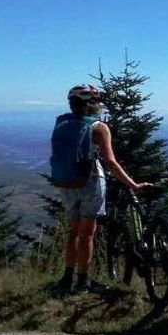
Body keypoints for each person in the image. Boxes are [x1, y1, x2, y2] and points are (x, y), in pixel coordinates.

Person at [52, 85, 151, 294]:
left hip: (66, 182)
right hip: (90, 182)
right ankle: (83, 282)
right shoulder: (99, 127)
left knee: (73, 232)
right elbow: (111, 163)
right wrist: (133, 184)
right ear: (92, 104)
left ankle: (66, 278)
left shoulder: (61, 121)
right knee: (87, 234)